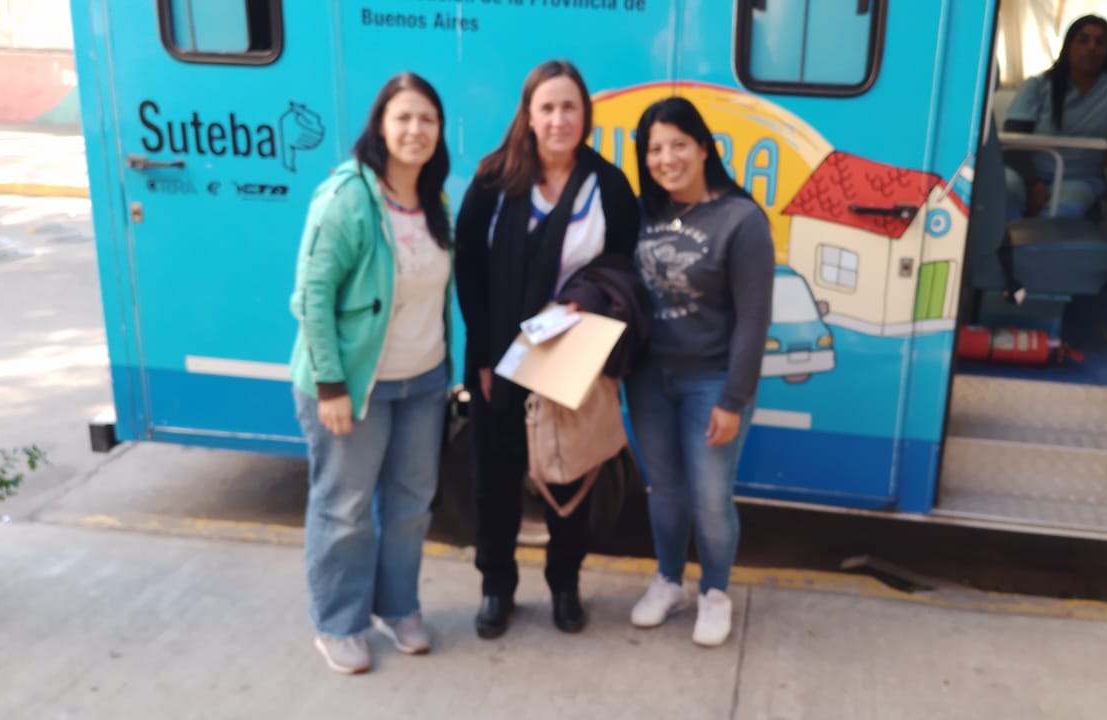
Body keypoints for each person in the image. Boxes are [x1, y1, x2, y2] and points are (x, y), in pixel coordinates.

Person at [453, 59, 640, 639]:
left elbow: (624, 269)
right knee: (496, 478)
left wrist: (590, 303)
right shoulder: (493, 182)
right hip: (499, 358)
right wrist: (483, 357)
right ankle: (496, 588)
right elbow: (469, 271)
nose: (559, 119)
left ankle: (565, 584)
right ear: (529, 116)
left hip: (571, 358)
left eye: (569, 107)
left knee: (570, 478)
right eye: (548, 107)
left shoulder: (608, 186)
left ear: (585, 115)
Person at [287, 73, 454, 675]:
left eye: (427, 119)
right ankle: (339, 623)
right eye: (403, 117)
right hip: (355, 387)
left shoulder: (434, 202)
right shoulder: (347, 198)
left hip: (424, 381)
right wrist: (331, 386)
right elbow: (312, 296)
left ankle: (398, 606)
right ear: (380, 125)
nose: (415, 130)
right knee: (345, 508)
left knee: (411, 506)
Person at [623, 97, 773, 648]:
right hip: (648, 380)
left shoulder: (741, 220)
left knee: (710, 497)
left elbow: (754, 319)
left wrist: (733, 399)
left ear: (704, 147)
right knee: (664, 490)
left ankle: (714, 592)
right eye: (655, 149)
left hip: (712, 381)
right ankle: (669, 581)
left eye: (678, 145)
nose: (667, 159)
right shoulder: (642, 213)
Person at [1003, 15, 1107, 219]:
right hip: (1026, 174)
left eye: (1100, 42)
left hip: (1078, 179)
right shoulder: (1038, 85)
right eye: (1083, 40)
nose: (1091, 47)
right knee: (1005, 191)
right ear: (1068, 46)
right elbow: (1013, 143)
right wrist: (1033, 183)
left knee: (1066, 208)